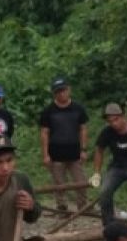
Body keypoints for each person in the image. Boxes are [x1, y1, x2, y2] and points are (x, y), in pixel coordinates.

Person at [38, 77, 90, 211]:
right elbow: (44, 133)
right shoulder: (48, 111)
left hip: (75, 153)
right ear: (54, 93)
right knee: (59, 184)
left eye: (63, 90)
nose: (61, 94)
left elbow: (83, 129)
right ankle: (61, 207)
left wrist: (84, 149)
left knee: (81, 182)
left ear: (69, 90)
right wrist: (45, 155)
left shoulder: (78, 108)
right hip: (55, 154)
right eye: (58, 91)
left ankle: (82, 205)